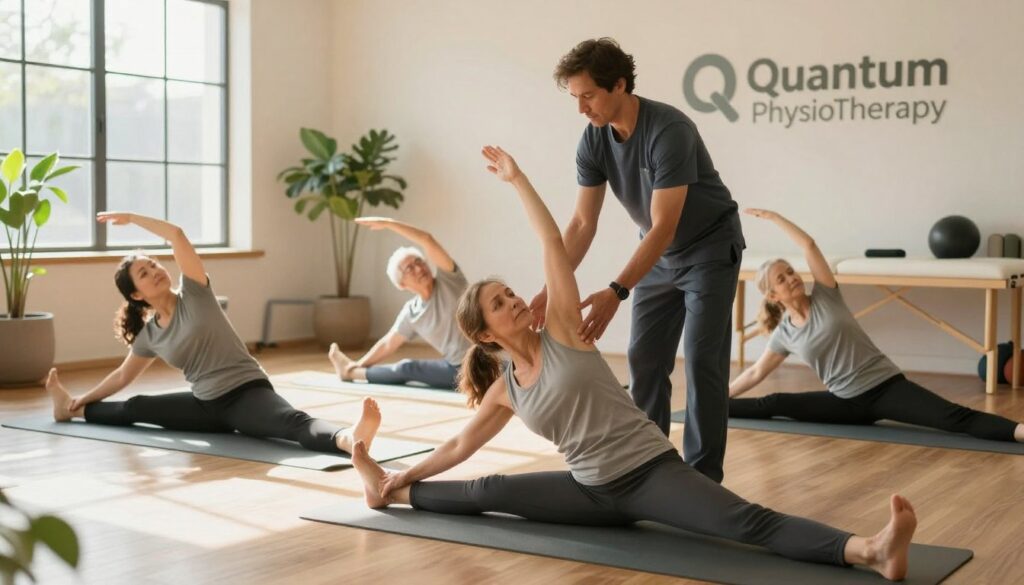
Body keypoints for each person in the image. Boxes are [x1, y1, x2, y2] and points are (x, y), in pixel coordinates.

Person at [349, 147, 917, 581]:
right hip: (590, 491)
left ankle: (869, 550)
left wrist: (519, 181)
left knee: (746, 522)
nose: (516, 301)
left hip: (650, 477)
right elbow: (456, 449)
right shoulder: (504, 387)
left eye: (511, 295)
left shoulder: (565, 331)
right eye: (501, 304)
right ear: (483, 332)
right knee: (487, 491)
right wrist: (406, 475)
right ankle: (386, 490)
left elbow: (552, 242)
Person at [535, 38, 745, 482]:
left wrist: (616, 291)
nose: (581, 109)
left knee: (702, 358)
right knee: (644, 359)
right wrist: (549, 291)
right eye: (575, 98)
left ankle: (704, 480)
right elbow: (581, 225)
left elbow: (664, 224)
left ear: (619, 85)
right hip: (659, 257)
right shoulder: (592, 141)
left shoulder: (669, 130)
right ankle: (649, 468)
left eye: (588, 96)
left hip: (708, 249)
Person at [45, 212, 381, 454]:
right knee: (135, 406)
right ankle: (68, 411)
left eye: (154, 264)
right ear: (136, 295)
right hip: (205, 406)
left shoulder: (195, 293)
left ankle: (347, 438)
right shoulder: (150, 334)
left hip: (245, 394)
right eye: (144, 274)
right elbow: (122, 377)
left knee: (292, 422)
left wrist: (133, 219)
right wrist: (84, 398)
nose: (156, 271)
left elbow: (176, 235)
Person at [729, 209, 1024, 442]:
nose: (792, 278)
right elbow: (756, 372)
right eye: (782, 279)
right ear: (771, 295)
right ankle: (710, 408)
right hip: (845, 403)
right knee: (775, 402)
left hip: (885, 389)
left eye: (790, 272)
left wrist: (774, 218)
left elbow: (809, 245)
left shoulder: (826, 294)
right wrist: (722, 394)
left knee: (953, 417)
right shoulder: (785, 333)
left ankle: (1019, 431)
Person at [328, 217, 471, 390]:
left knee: (409, 367)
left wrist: (389, 223)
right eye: (409, 268)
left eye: (419, 261)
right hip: (459, 370)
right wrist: (358, 364)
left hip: (485, 361)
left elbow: (427, 239)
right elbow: (388, 343)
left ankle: (350, 373)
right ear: (402, 284)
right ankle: (351, 371)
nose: (418, 268)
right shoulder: (412, 312)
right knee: (406, 367)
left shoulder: (450, 280)